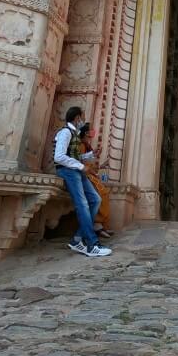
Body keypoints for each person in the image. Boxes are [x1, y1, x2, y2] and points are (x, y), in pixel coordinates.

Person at [54, 107, 111, 257]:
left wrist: (91, 155)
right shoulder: (65, 132)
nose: (82, 121)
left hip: (77, 171)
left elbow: (75, 156)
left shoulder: (75, 134)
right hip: (68, 171)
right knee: (83, 204)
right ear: (77, 117)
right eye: (82, 117)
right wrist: (81, 166)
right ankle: (92, 244)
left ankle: (77, 240)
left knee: (95, 199)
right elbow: (59, 157)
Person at [75, 122, 113, 239]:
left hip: (90, 175)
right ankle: (96, 225)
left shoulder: (87, 146)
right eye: (91, 129)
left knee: (103, 193)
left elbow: (91, 164)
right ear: (86, 132)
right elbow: (80, 161)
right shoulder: (80, 145)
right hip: (84, 175)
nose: (93, 131)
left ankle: (100, 225)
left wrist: (100, 165)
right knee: (100, 195)